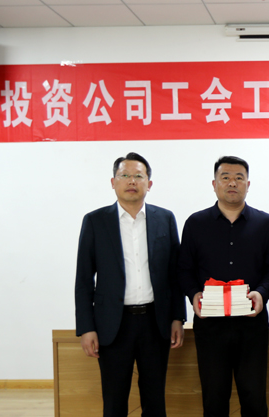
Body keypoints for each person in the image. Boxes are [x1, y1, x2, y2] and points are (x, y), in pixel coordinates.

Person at [75, 152, 186, 417]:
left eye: (138, 176)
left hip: (155, 323)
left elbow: (175, 274)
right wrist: (86, 328)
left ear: (149, 183)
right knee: (114, 400)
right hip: (113, 324)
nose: (132, 181)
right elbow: (84, 278)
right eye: (125, 175)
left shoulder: (165, 218)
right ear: (113, 182)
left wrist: (177, 318)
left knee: (154, 399)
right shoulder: (95, 221)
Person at [178, 156, 269, 417]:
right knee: (214, 399)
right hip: (210, 326)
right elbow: (184, 269)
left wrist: (261, 294)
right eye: (225, 177)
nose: (232, 183)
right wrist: (194, 295)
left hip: (252, 326)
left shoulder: (265, 223)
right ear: (214, 184)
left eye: (238, 178)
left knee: (254, 398)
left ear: (248, 184)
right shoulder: (195, 223)